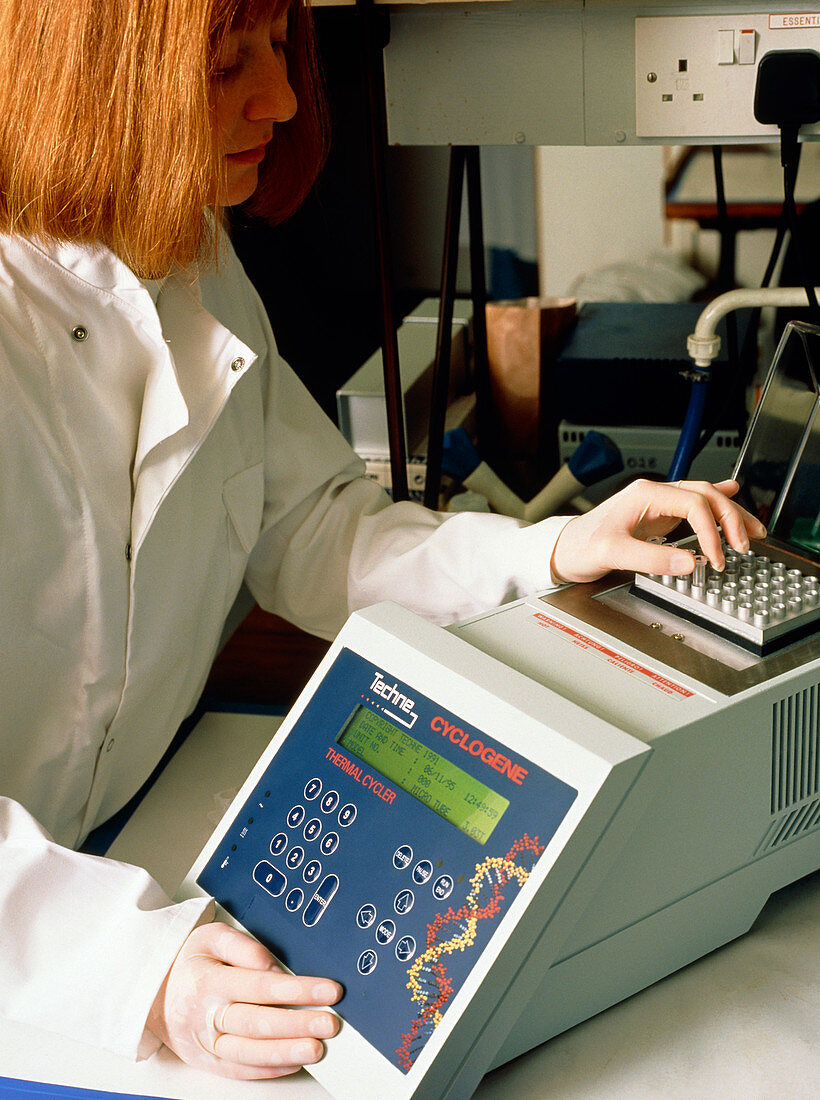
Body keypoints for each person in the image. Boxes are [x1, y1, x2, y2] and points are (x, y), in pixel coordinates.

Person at [0, 0, 766, 1085]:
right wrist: (138, 970)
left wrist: (550, 552)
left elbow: (312, 520)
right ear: (89, 77)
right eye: (228, 65)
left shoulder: (187, 256)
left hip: (123, 828)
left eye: (279, 50)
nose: (280, 99)